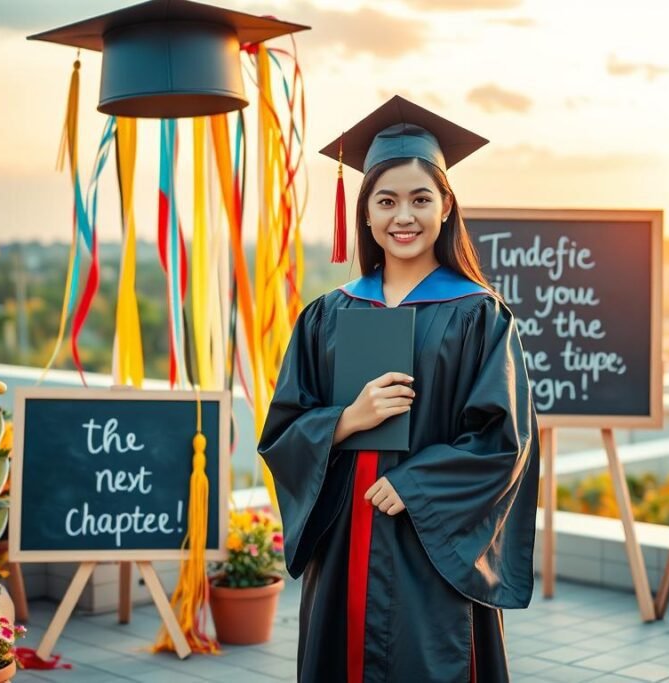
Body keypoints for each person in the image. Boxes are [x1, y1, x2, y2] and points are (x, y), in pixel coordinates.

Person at [259, 96, 540, 683]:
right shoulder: (329, 314)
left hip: (429, 544)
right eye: (386, 201)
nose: (402, 216)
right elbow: (283, 428)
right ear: (364, 214)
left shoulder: (479, 315)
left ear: (446, 207)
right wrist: (345, 420)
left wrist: (416, 483)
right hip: (345, 541)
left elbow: (503, 439)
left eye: (420, 199)